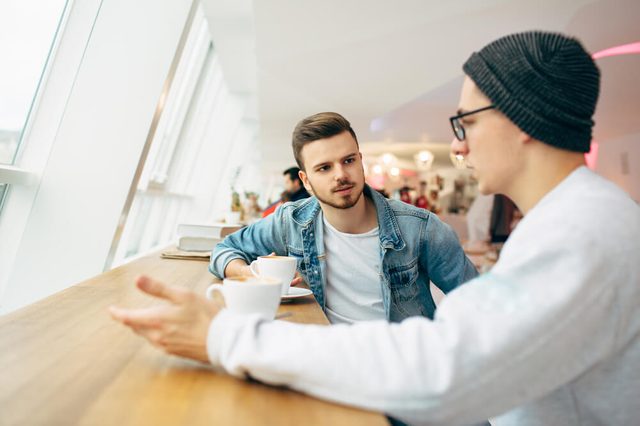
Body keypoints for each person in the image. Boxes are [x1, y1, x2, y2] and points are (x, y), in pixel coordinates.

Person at [110, 31, 640, 425]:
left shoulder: (581, 233)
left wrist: (223, 335)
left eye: (466, 122)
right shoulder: (575, 220)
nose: (457, 145)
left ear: (521, 118)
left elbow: (439, 370)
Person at [211, 112, 476, 324]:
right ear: (306, 181)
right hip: (327, 361)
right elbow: (224, 251)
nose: (341, 175)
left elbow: (478, 302)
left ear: (361, 161)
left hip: (400, 369)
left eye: (348, 161)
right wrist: (250, 273)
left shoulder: (420, 228)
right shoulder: (291, 221)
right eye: (324, 168)